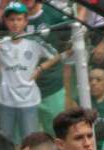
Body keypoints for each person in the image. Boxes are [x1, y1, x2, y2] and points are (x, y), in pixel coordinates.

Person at [0, 2, 62, 145]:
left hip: (29, 101)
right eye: (11, 19)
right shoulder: (0, 44)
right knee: (5, 142)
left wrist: (40, 68)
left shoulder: (34, 41)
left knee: (30, 142)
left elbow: (56, 56)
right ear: (5, 21)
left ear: (25, 21)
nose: (15, 23)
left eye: (19, 19)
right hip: (6, 100)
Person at [23, 0, 72, 134]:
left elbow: (71, 46)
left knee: (57, 136)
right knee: (26, 140)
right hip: (23, 92)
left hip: (52, 89)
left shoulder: (54, 14)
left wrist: (67, 91)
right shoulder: (13, 16)